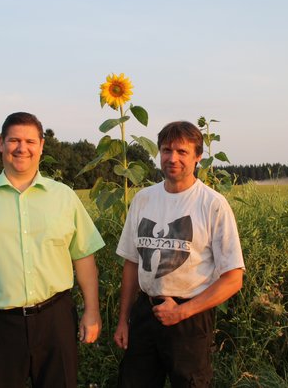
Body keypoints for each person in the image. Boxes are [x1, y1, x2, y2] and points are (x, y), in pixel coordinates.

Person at [0, 112, 105, 388]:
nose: (21, 148)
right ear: (1, 143)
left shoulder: (64, 196)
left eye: (29, 141)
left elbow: (84, 257)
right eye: (14, 140)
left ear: (41, 146)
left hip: (55, 319)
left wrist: (92, 311)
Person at [114, 121, 245, 387]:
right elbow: (131, 263)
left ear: (198, 157)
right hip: (145, 313)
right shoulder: (143, 199)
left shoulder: (212, 204)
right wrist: (123, 321)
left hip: (190, 318)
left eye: (182, 152)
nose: (172, 158)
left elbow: (233, 279)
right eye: (166, 150)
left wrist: (182, 312)